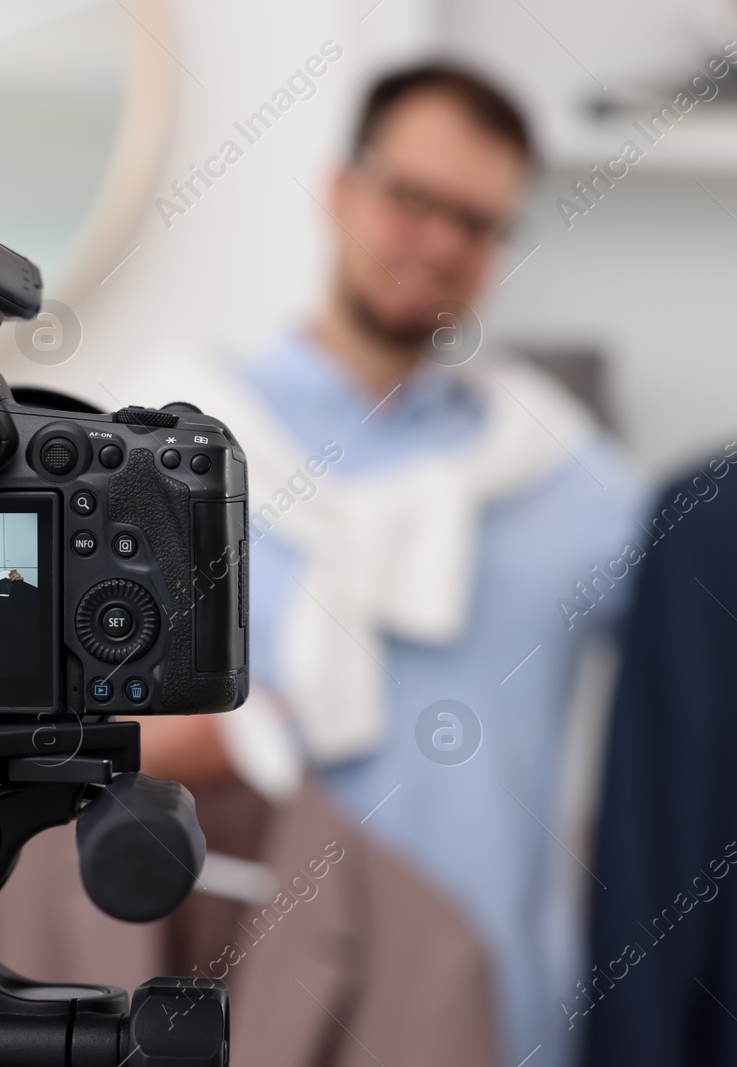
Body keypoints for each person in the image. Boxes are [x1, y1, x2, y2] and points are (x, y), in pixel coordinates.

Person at [140, 64, 645, 1067]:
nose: (439, 242)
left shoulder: (563, 477)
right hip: (242, 1010)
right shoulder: (168, 453)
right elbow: (56, 741)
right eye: (413, 199)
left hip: (497, 1020)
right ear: (341, 191)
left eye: (478, 221)